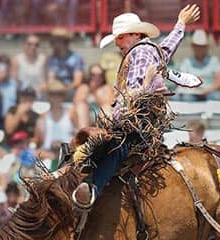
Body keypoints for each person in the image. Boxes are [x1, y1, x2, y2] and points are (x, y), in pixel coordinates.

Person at [71, 5, 200, 206]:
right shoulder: (149, 51)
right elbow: (166, 50)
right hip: (148, 124)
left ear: (135, 34)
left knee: (117, 146)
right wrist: (180, 24)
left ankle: (93, 185)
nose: (117, 43)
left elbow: (135, 91)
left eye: (121, 37)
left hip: (137, 125)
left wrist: (115, 121)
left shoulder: (139, 53)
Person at [172, 30, 220, 102]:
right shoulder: (187, 62)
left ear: (206, 47)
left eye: (202, 46)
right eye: (197, 46)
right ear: (193, 47)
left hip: (210, 90)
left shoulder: (214, 60)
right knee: (187, 98)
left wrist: (207, 90)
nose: (199, 49)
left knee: (216, 96)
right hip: (192, 91)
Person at [35, 80, 78, 154]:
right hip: (48, 153)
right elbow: (39, 140)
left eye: (59, 94)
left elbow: (78, 134)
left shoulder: (71, 112)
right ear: (48, 96)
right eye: (53, 94)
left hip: (67, 153)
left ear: (63, 96)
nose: (56, 97)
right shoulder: (43, 115)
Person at [45, 27, 85, 95]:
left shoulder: (76, 57)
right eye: (53, 41)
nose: (52, 44)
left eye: (56, 41)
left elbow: (77, 82)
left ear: (64, 42)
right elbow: (51, 79)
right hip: (56, 89)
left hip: (72, 89)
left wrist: (64, 89)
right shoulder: (52, 58)